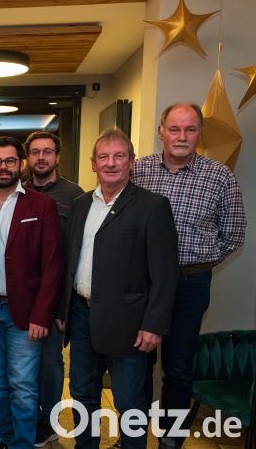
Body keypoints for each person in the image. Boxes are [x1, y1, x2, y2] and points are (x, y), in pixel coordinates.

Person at [132, 103, 246, 449]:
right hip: (143, 283)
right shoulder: (139, 171)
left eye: (190, 129)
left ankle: (171, 439)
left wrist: (199, 261)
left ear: (199, 133)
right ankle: (133, 435)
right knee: (138, 363)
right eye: (175, 129)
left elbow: (234, 233)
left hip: (189, 283)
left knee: (179, 366)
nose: (182, 137)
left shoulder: (220, 176)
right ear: (161, 131)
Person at [63, 128, 178, 449]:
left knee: (129, 402)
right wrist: (63, 311)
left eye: (119, 156)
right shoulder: (81, 204)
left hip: (129, 324)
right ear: (93, 164)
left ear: (132, 163)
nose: (111, 163)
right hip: (82, 317)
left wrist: (153, 325)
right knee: (83, 394)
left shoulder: (152, 206)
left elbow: (165, 274)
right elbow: (71, 262)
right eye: (104, 157)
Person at [0, 136, 62, 449]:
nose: (4, 167)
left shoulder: (41, 205)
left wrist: (42, 314)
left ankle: (22, 443)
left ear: (20, 164)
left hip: (24, 312)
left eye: (10, 161)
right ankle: (4, 437)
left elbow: (53, 266)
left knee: (22, 385)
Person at [21, 131, 84, 447]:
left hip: (55, 300)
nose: (41, 158)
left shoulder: (75, 196)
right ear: (27, 157)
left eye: (47, 152)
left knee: (49, 364)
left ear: (58, 156)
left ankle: (47, 421)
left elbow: (78, 254)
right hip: (19, 299)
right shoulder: (17, 191)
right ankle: (26, 419)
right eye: (35, 152)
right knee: (22, 366)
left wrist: (64, 308)